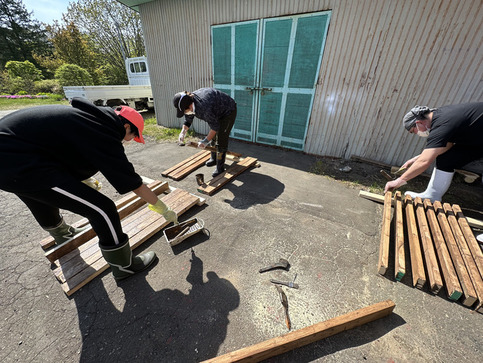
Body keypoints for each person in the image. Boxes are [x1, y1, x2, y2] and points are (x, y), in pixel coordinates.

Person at [0, 97, 178, 281]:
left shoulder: (92, 119)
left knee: (38, 195)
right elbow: (132, 182)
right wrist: (162, 208)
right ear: (126, 127)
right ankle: (124, 266)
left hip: (10, 159)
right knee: (103, 209)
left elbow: (66, 150)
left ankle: (63, 234)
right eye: (134, 135)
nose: (131, 140)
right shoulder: (105, 131)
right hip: (19, 164)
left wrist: (83, 179)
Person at [174, 88, 237, 177]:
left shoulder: (204, 107)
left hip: (227, 111)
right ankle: (214, 158)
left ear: (190, 106)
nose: (185, 113)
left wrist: (205, 141)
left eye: (185, 111)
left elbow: (215, 127)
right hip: (216, 109)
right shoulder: (189, 102)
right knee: (214, 137)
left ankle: (220, 168)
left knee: (221, 138)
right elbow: (188, 119)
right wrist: (183, 132)